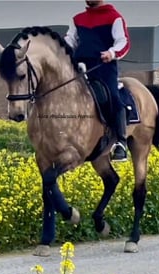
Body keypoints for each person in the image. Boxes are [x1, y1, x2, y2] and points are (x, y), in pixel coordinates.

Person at [65, 0, 131, 161]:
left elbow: (123, 42)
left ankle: (121, 143)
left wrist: (112, 53)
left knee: (112, 97)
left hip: (103, 66)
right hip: (79, 67)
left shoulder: (114, 17)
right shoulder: (77, 19)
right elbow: (70, 41)